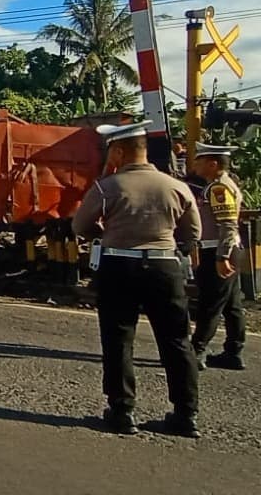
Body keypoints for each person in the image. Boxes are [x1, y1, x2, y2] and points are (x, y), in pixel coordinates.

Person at [71, 120, 202, 438]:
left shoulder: (108, 187)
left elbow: (80, 227)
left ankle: (122, 412)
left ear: (118, 150)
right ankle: (186, 416)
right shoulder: (176, 187)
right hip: (165, 268)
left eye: (110, 150)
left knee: (118, 339)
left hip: (120, 267)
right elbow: (192, 233)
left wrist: (104, 233)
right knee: (176, 341)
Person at [190, 142, 247, 371]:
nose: (196, 165)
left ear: (213, 163)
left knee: (210, 303)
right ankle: (233, 351)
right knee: (232, 304)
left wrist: (221, 256)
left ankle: (197, 350)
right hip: (227, 249)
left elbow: (227, 225)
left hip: (218, 250)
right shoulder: (221, 184)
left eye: (199, 161)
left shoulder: (218, 188)